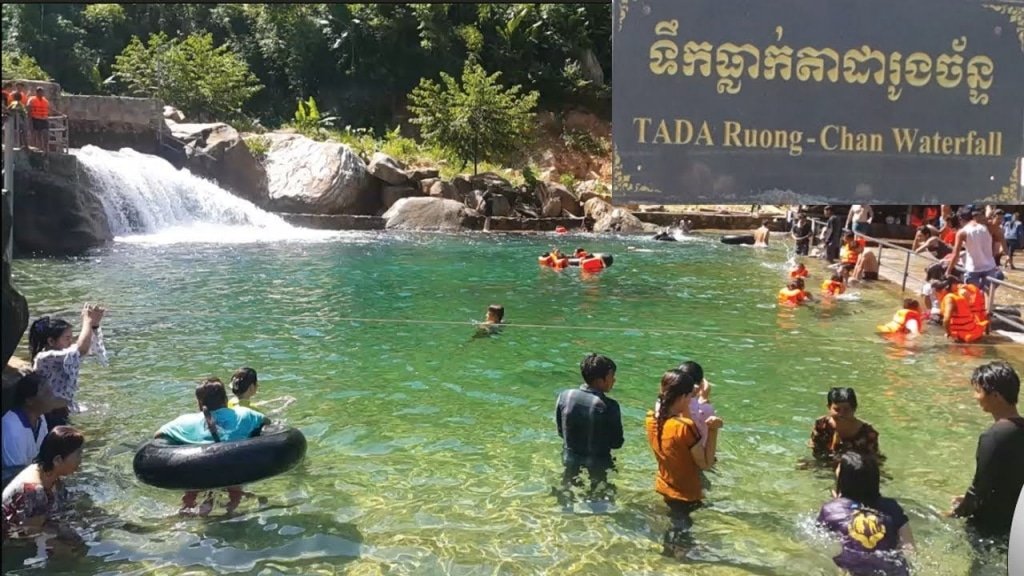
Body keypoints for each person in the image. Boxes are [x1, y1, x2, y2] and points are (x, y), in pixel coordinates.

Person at [156, 378, 270, 515]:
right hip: (232, 469)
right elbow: (267, 423)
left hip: (198, 470)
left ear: (199, 402)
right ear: (225, 399)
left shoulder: (185, 421)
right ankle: (231, 509)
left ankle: (186, 509)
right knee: (234, 476)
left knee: (192, 482)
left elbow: (158, 435)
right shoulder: (245, 414)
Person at [645, 369, 723, 558]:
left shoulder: (651, 419)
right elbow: (705, 464)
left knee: (674, 527)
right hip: (686, 492)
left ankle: (665, 557)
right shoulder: (684, 428)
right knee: (682, 536)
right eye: (689, 397)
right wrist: (713, 431)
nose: (691, 400)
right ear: (682, 397)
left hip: (664, 484)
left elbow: (680, 428)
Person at [948, 362, 1023, 539]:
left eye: (979, 391)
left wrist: (955, 513)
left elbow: (979, 490)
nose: (976, 397)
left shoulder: (993, 436)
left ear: (996, 396)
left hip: (990, 527)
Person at [817, 452, 914, 576]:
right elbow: (909, 549)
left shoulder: (831, 509)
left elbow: (823, 544)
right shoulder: (892, 507)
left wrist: (837, 502)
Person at [555, 354, 623, 502]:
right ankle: (597, 518)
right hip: (598, 460)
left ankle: (566, 515)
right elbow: (617, 442)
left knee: (568, 487)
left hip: (570, 456)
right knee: (599, 493)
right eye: (612, 376)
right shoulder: (609, 406)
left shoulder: (564, 396)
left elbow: (561, 431)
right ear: (600, 380)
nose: (614, 380)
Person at [2, 426, 84, 539]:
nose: (80, 460)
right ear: (58, 460)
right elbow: (28, 532)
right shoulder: (33, 490)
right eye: (78, 454)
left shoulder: (47, 471)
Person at [29, 304, 106, 427]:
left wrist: (94, 325)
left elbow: (85, 347)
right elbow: (81, 349)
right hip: (50, 413)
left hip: (60, 409)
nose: (71, 342)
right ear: (51, 341)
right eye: (67, 338)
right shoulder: (45, 357)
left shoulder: (59, 355)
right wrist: (87, 321)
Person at [1, 373, 54, 482]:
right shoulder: (13, 429)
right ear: (29, 400)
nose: (53, 396)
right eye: (46, 393)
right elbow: (16, 475)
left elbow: (43, 454)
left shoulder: (40, 418)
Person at [810, 387, 881, 464]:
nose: (841, 414)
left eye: (846, 409)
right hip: (826, 462)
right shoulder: (821, 424)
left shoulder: (867, 432)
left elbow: (872, 459)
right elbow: (815, 448)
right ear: (829, 407)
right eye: (837, 409)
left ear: (854, 409)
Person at [946, 205, 1004, 292]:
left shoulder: (962, 232)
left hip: (973, 268)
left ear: (960, 219)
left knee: (973, 295)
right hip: (989, 267)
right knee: (987, 294)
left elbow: (955, 255)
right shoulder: (989, 228)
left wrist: (948, 271)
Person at [939, 276, 988, 343]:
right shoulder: (960, 295)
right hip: (973, 332)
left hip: (961, 337)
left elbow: (946, 319)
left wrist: (948, 333)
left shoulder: (950, 298)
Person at [25, 87, 50, 152]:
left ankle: (45, 148)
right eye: (39, 92)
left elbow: (49, 109)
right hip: (35, 119)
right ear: (36, 93)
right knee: (37, 134)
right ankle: (38, 147)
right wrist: (29, 119)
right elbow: (28, 107)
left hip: (44, 119)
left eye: (42, 92)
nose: (41, 93)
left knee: (46, 134)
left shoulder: (45, 101)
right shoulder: (32, 99)